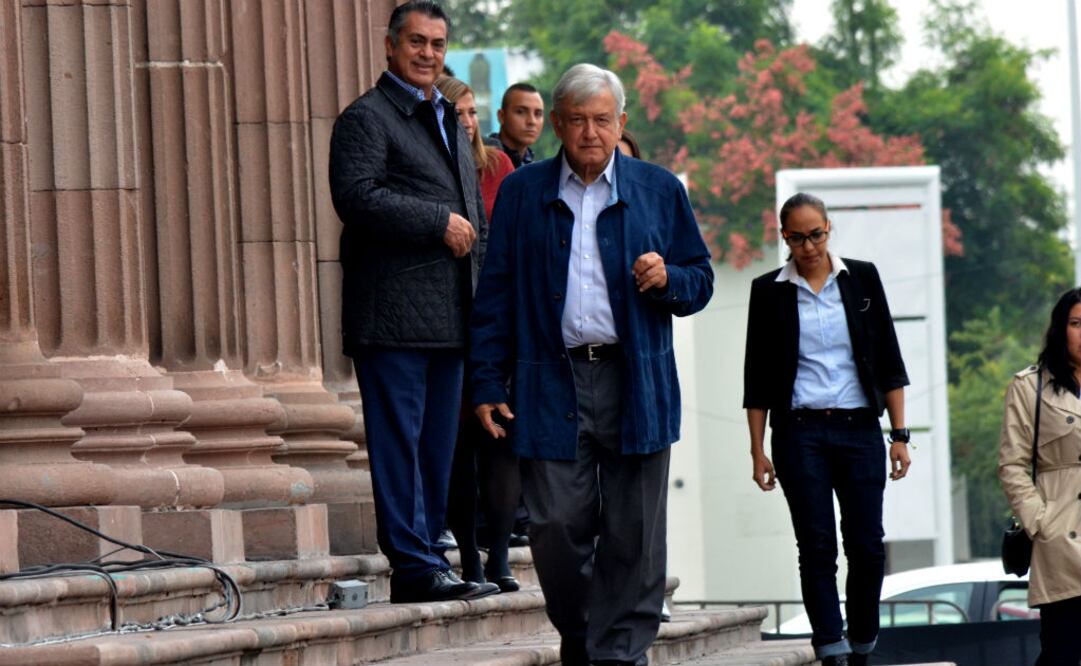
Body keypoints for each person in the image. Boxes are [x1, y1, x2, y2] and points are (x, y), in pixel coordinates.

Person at [470, 63, 714, 666]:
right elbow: (495, 292)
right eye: (577, 120)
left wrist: (669, 278)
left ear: (621, 122)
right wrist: (485, 379)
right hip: (549, 379)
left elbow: (701, 279)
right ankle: (585, 637)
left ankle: (619, 652)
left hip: (637, 380)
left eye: (603, 120)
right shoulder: (524, 193)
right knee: (555, 525)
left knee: (635, 532)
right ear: (557, 124)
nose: (590, 133)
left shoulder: (658, 189)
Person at [328, 0, 497, 604]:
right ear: (390, 46)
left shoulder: (446, 116)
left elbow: (473, 217)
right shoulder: (366, 117)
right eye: (417, 42)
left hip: (450, 315)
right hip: (392, 316)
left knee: (436, 448)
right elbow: (355, 195)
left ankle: (431, 558)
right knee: (400, 445)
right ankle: (413, 565)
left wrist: (484, 304)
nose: (428, 53)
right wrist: (434, 221)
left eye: (438, 44)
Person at [743, 192, 911, 666]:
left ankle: (863, 642)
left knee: (867, 545)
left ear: (828, 229)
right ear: (785, 237)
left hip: (860, 429)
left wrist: (899, 436)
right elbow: (756, 377)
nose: (809, 246)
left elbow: (889, 361)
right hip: (799, 433)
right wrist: (757, 450)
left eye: (816, 235)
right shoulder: (768, 290)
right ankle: (830, 646)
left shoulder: (861, 278)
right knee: (816, 546)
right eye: (797, 238)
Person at [434, 74, 520, 592]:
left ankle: (502, 555)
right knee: (457, 443)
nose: (467, 122)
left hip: (496, 319)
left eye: (472, 112)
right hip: (446, 318)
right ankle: (468, 556)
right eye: (457, 112)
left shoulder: (498, 167)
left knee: (501, 437)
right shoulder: (433, 168)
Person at [999, 288, 1081, 666]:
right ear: (1060, 329)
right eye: (1076, 323)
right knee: (1061, 654)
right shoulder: (1029, 386)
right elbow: (1011, 464)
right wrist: (1040, 522)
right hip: (1060, 538)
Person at [489, 82, 545, 168]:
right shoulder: (483, 160)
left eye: (538, 114)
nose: (532, 121)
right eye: (520, 112)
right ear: (501, 116)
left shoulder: (537, 168)